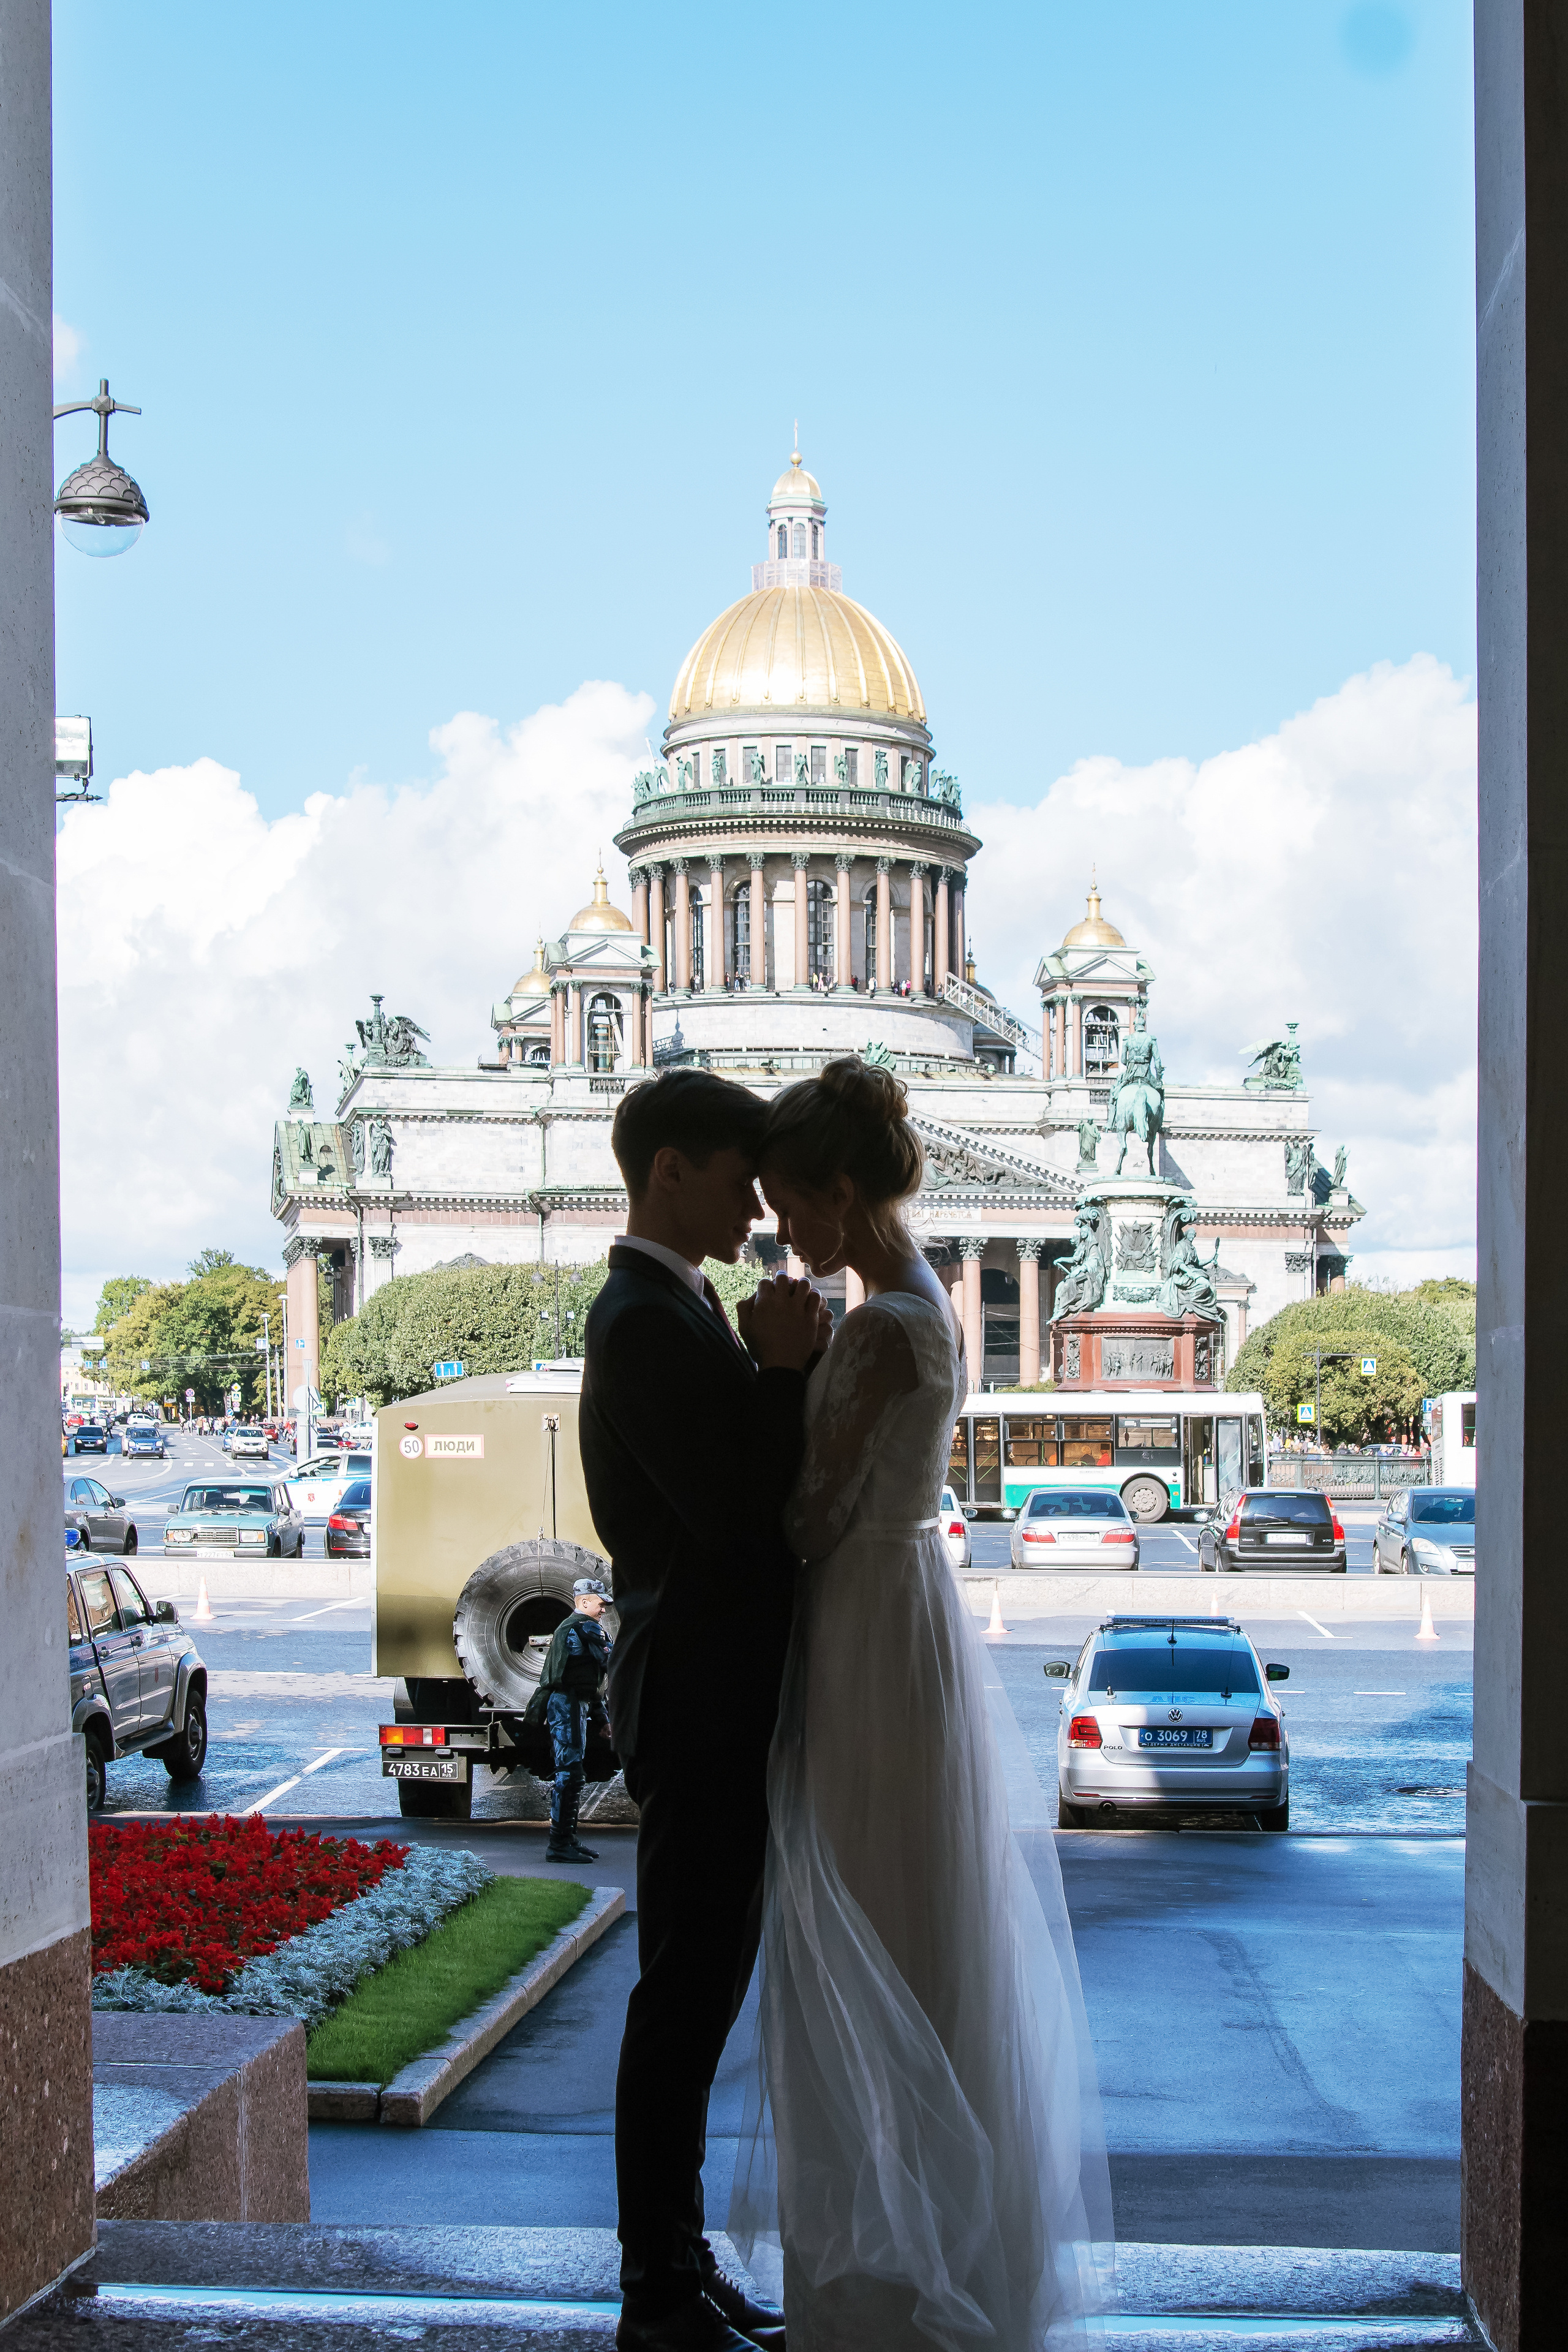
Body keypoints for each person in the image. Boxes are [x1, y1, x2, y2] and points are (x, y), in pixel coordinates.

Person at [729, 1057, 1114, 2351]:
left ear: (840, 1192)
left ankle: (880, 2292)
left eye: (787, 1200)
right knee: (908, 1936)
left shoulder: (884, 1323)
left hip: (862, 1628)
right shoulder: (908, 1305)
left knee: (860, 1937)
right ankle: (913, 2267)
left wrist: (770, 1373)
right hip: (896, 1619)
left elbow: (807, 1516)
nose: (777, 1226)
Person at [581, 1069, 827, 2352]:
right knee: (681, 1999)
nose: (759, 1210)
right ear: (670, 1168)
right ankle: (656, 2291)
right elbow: (732, 1515)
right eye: (740, 1179)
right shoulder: (639, 1319)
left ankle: (675, 2265)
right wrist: (782, 1370)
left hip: (714, 1685)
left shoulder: (666, 1306)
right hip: (696, 1691)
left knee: (697, 1992)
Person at [526, 1576, 614, 1864]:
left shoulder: (572, 1626)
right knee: (569, 1774)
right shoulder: (585, 1626)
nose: (604, 1611)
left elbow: (586, 1678)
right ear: (585, 1602)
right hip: (568, 1705)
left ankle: (568, 1839)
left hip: (572, 1702)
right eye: (601, 1604)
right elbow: (611, 1662)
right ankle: (559, 1844)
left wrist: (601, 1717)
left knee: (572, 1772)